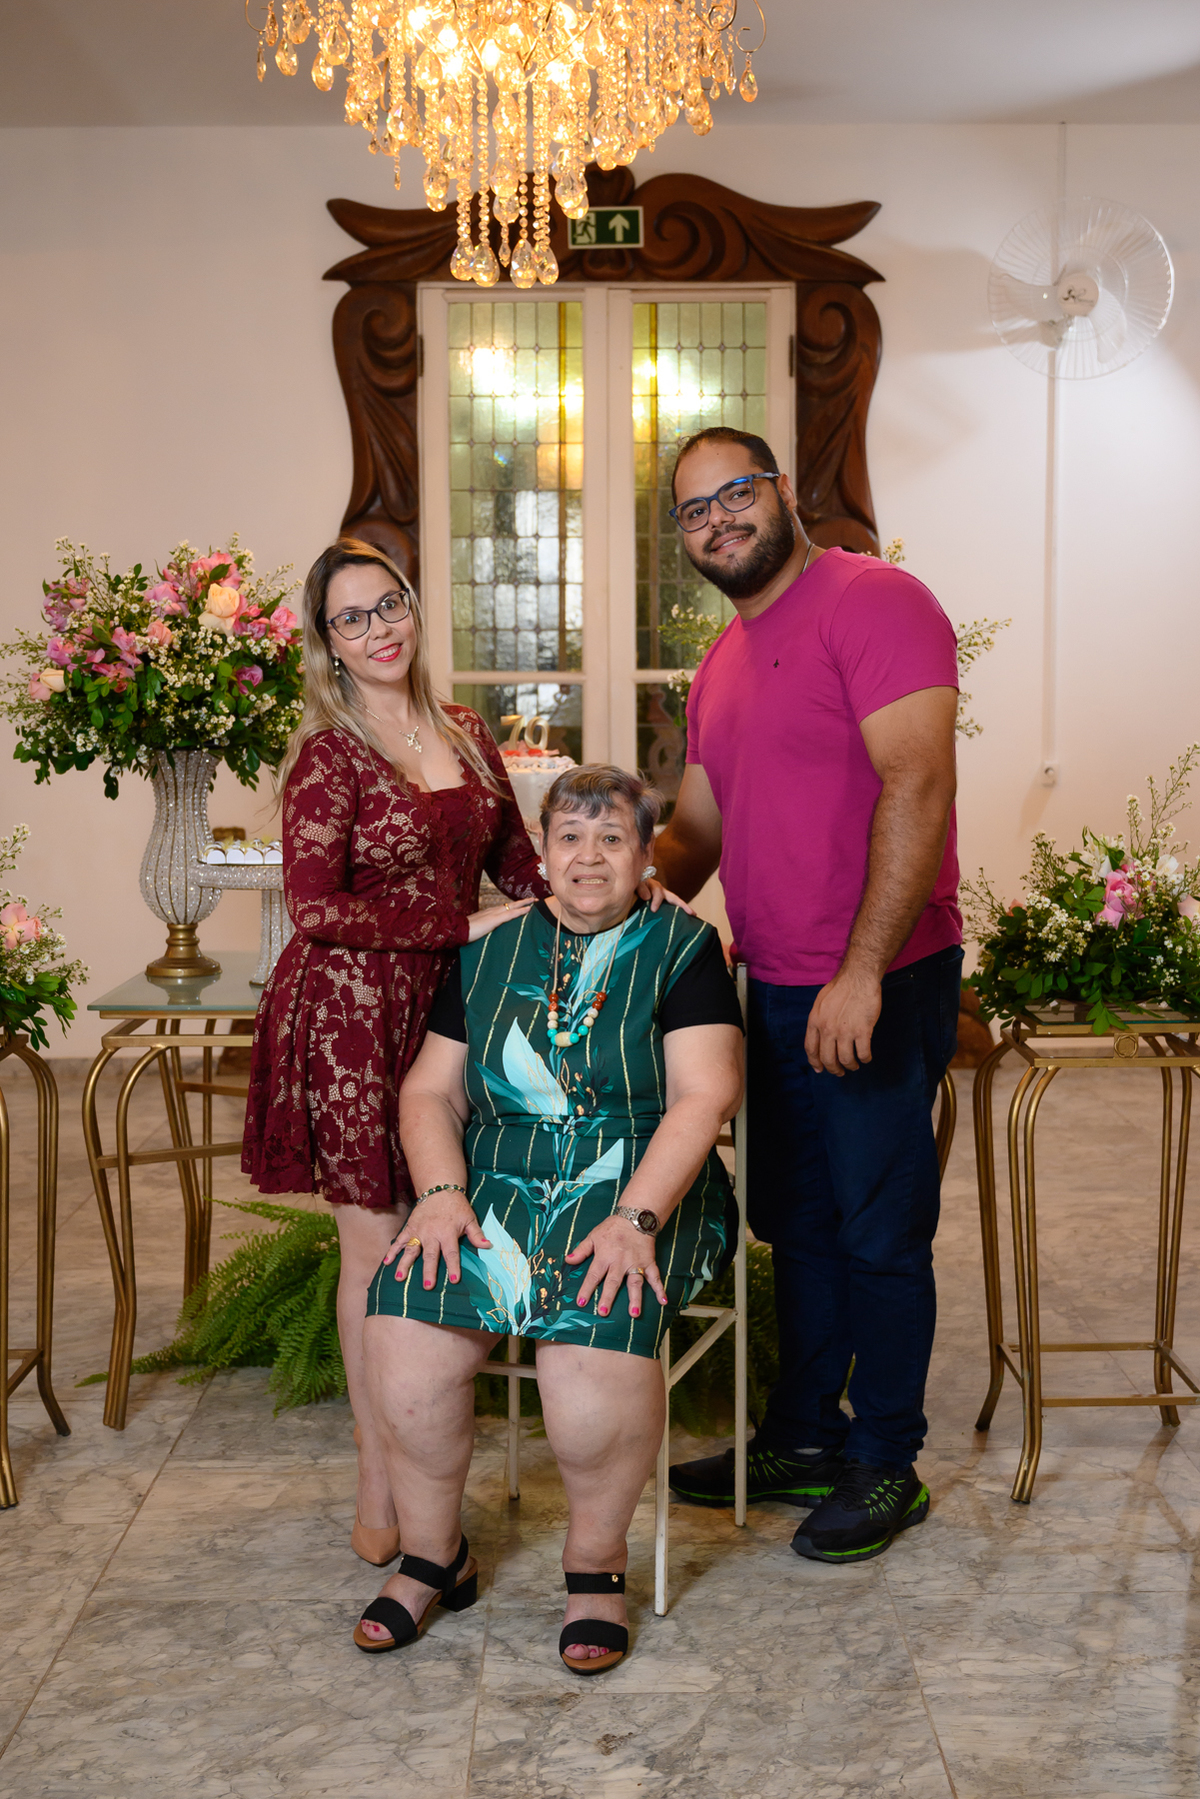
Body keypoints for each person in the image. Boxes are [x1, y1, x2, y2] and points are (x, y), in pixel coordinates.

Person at [354, 766, 744, 1671]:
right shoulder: (491, 945)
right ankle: (433, 1556)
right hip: (497, 1186)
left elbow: (704, 1096)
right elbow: (429, 1092)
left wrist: (637, 1217)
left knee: (584, 1346)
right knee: (405, 1324)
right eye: (570, 836)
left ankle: (595, 1565)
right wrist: (440, 1193)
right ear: (542, 850)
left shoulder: (683, 945)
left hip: (641, 1183)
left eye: (612, 839)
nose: (589, 857)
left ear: (647, 856)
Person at [659, 426, 962, 1565]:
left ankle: (886, 1459)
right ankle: (801, 1435)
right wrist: (595, 887)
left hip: (879, 975)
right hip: (773, 981)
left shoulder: (875, 601)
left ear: (782, 490)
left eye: (735, 492)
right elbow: (697, 834)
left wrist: (862, 971)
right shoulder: (722, 664)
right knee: (795, 1221)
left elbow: (918, 780)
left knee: (880, 1227)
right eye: (694, 510)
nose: (719, 520)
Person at [242, 538, 546, 1569]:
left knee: (442, 1228)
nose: (378, 630)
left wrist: (610, 887)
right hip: (351, 1016)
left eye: (390, 606)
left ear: (413, 608)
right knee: (375, 1247)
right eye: (352, 618)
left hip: (450, 1013)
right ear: (326, 642)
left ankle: (426, 1459)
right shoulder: (329, 754)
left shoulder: (465, 730)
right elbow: (315, 907)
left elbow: (518, 866)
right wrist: (461, 925)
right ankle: (380, 1474)